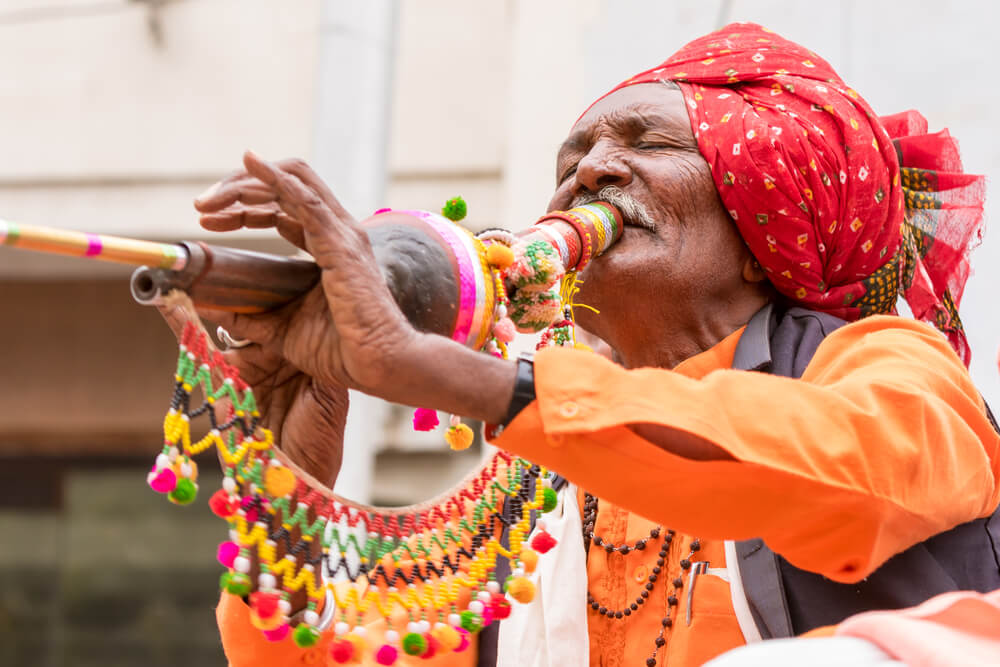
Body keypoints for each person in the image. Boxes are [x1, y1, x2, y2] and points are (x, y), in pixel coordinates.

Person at [162, 22, 1000, 667]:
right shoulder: (539, 479)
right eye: (575, 156)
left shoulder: (890, 364)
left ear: (762, 228)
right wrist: (290, 480)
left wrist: (470, 380)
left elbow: (835, 475)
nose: (590, 172)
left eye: (647, 144)